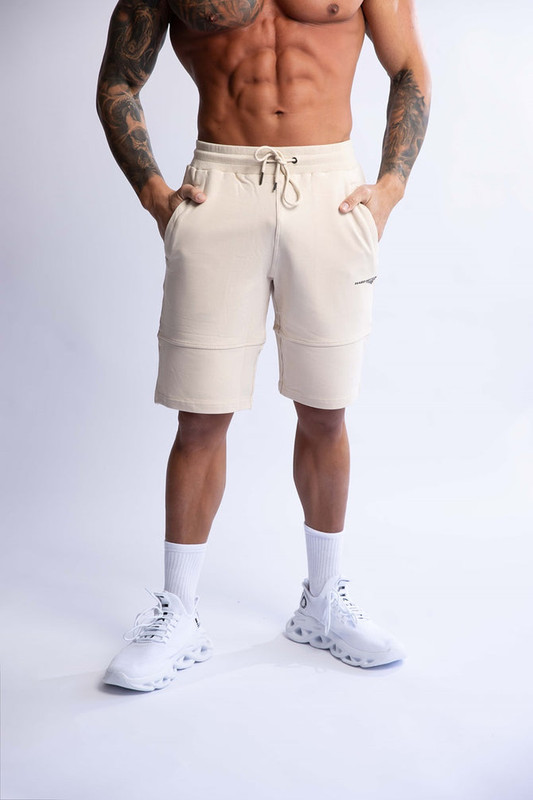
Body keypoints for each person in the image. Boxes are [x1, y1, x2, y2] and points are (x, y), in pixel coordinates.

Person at [96, 0, 430, 691]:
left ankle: (322, 603)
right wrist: (154, 194)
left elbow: (407, 68)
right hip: (219, 187)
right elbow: (118, 79)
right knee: (200, 416)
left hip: (330, 191)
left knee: (326, 410)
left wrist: (390, 187)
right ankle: (178, 613)